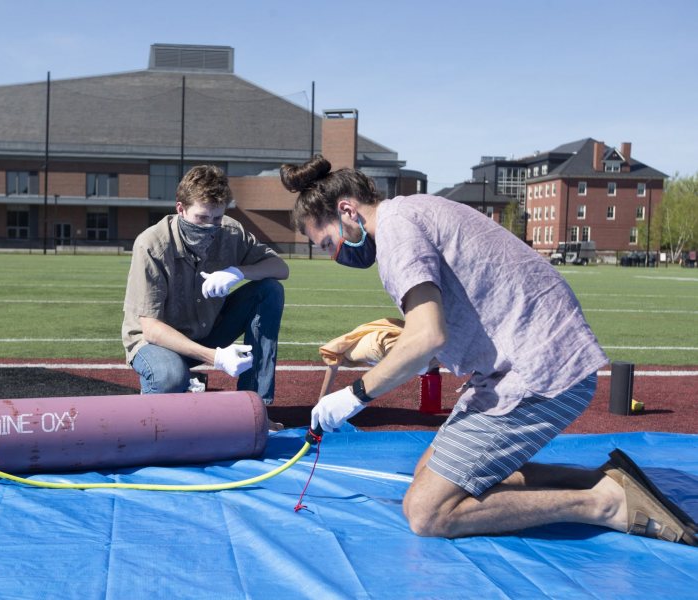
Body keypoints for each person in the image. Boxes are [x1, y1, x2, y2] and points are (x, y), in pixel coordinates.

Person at [279, 154, 695, 545]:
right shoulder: (412, 210)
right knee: (426, 473)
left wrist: (354, 395)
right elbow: (439, 325)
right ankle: (601, 480)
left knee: (427, 512)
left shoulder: (395, 233)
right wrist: (392, 343)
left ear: (347, 211)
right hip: (528, 360)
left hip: (540, 373)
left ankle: (606, 504)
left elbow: (427, 339)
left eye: (327, 242)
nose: (335, 255)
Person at [122, 165, 289, 414]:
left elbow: (280, 268)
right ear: (180, 209)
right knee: (169, 377)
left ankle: (256, 408)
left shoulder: (231, 232)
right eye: (201, 218)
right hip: (156, 343)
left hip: (208, 328)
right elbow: (151, 329)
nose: (210, 226)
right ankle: (165, 391)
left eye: (217, 218)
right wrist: (216, 358)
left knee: (269, 291)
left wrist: (238, 272)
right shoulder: (152, 244)